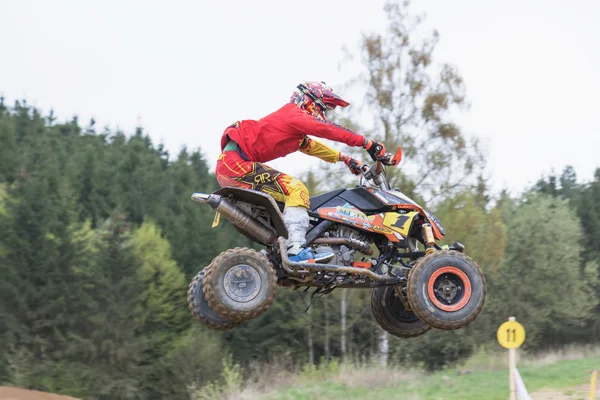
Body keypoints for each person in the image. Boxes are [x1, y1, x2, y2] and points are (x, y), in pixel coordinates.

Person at [215, 81, 386, 263]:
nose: (324, 115)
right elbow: (327, 129)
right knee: (296, 190)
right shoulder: (294, 115)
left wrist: (346, 159)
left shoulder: (291, 126)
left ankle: (279, 253)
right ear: (311, 101)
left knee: (282, 205)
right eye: (324, 109)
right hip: (236, 164)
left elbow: (311, 146)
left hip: (231, 166)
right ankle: (296, 249)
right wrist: (366, 142)